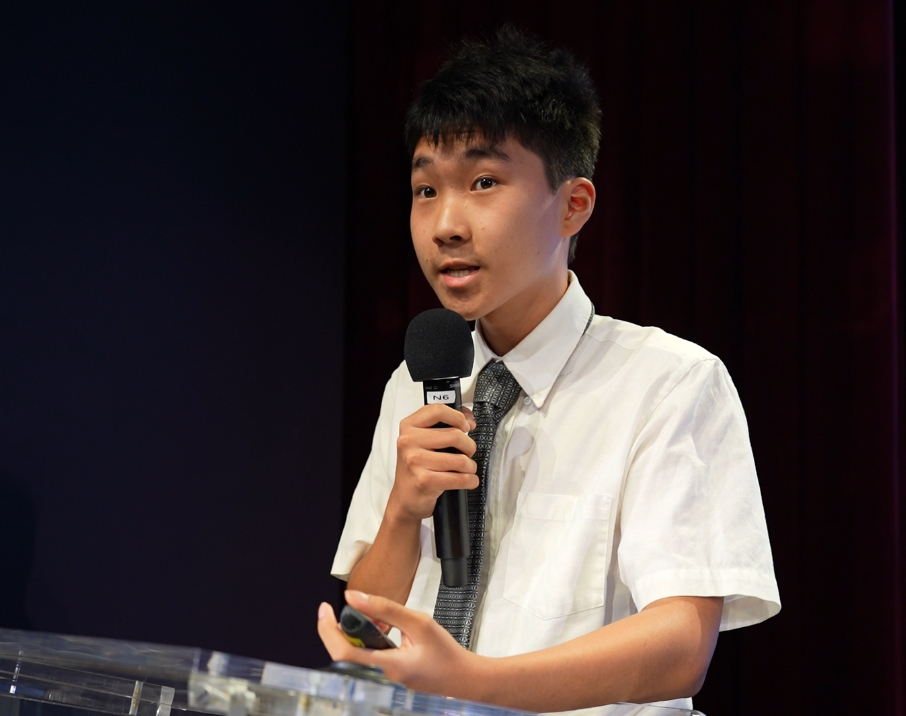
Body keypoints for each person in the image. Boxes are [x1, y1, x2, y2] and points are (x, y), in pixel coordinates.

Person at [319, 26, 779, 715]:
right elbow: (368, 624)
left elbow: (682, 646)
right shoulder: (415, 383)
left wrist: (472, 683)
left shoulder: (669, 383)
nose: (445, 225)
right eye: (425, 189)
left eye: (483, 182)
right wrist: (402, 512)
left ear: (573, 205)